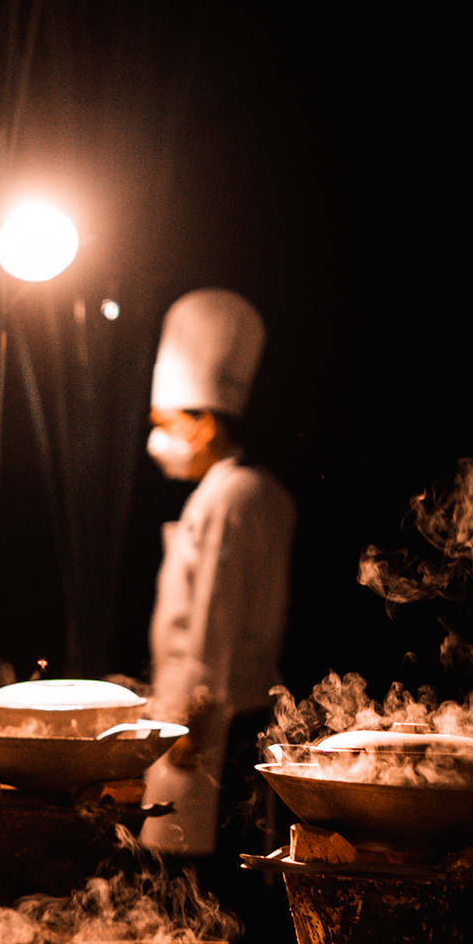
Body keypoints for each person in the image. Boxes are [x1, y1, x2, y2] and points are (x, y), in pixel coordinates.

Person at [138, 289, 296, 862]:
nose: (154, 440)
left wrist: (191, 721)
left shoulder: (231, 498)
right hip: (208, 713)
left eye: (164, 422)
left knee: (210, 881)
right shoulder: (245, 491)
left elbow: (214, 623)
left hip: (217, 724)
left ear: (203, 424)